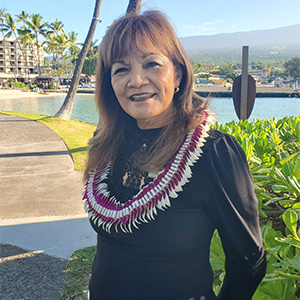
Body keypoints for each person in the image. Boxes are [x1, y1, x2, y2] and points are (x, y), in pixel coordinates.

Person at [83, 10, 266, 300]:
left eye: (151, 64)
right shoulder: (105, 144)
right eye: (121, 70)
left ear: (178, 74)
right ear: (110, 83)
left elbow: (249, 261)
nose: (137, 80)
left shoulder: (214, 153)